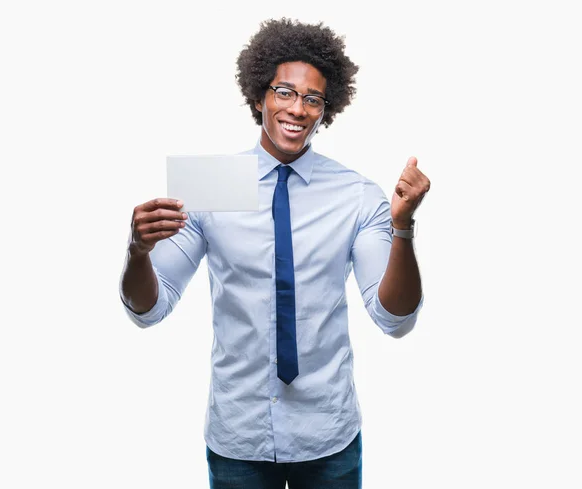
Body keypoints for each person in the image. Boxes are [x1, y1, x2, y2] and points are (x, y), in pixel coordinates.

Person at [120, 17, 430, 489]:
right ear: (259, 96)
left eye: (312, 99)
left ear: (325, 110)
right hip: (238, 435)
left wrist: (403, 228)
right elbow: (149, 307)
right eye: (284, 92)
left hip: (328, 433)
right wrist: (138, 251)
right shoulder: (213, 184)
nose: (298, 109)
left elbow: (393, 318)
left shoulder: (354, 194)